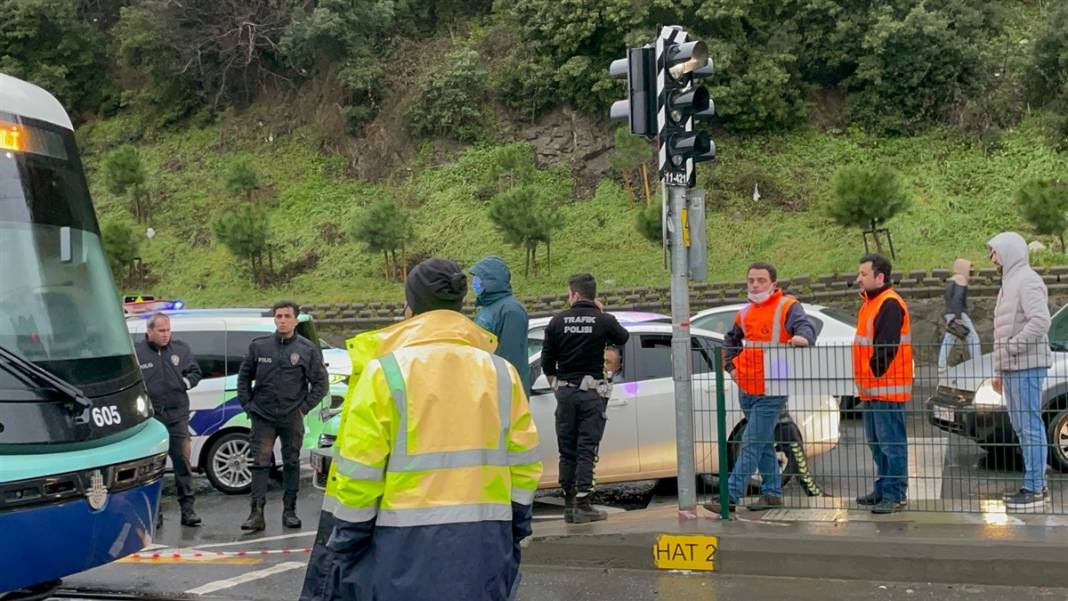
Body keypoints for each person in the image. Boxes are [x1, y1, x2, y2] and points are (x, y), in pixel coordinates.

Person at [313, 258, 542, 601]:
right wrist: (516, 526)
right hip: (485, 544)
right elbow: (524, 464)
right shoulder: (501, 373)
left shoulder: (385, 372)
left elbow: (361, 472)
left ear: (411, 307)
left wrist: (347, 541)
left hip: (399, 546)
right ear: (459, 304)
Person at [702, 262, 816, 514]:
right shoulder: (744, 313)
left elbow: (805, 327)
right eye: (751, 280)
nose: (755, 285)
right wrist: (731, 368)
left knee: (751, 441)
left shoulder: (787, 306)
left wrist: (804, 338)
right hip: (747, 385)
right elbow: (731, 340)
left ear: (773, 284)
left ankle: (729, 496)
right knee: (762, 442)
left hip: (773, 386)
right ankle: (772, 493)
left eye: (761, 280)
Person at [540, 273, 629, 523]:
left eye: (569, 294)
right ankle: (583, 503)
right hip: (591, 394)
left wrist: (559, 389)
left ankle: (569, 505)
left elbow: (547, 363)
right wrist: (602, 313)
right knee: (586, 448)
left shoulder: (557, 321)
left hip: (566, 393)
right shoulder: (602, 320)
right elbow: (623, 337)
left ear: (576, 294)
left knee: (567, 450)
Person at [238, 301, 329, 532]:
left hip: (292, 416)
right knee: (260, 463)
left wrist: (303, 408)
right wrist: (248, 406)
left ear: (296, 320)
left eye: (287, 316)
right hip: (263, 416)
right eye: (279, 316)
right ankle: (256, 513)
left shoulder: (306, 349)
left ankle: (290, 511)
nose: (282, 320)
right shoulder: (259, 347)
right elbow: (244, 378)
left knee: (291, 462)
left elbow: (321, 383)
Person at [989, 232, 1052, 510]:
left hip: (1026, 366)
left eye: (994, 252)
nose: (992, 258)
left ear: (1008, 251)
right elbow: (1001, 331)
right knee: (1023, 428)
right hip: (1014, 367)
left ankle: (1035, 488)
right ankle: (1034, 484)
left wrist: (1014, 348)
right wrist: (999, 369)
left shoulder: (1027, 280)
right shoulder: (1010, 283)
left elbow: (1041, 321)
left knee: (1029, 427)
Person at [853, 254, 913, 515]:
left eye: (864, 274)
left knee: (891, 445)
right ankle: (884, 488)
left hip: (886, 388)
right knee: (878, 444)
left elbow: (886, 347)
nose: (858, 278)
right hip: (874, 389)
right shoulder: (872, 302)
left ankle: (894, 494)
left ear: (880, 277)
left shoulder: (888, 303)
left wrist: (873, 372)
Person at [135, 312, 203, 527]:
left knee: (182, 464)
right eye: (161, 330)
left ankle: (188, 510)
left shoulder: (180, 349)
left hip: (177, 415)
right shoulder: (137, 353)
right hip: (151, 419)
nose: (166, 334)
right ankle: (155, 513)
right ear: (149, 331)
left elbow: (195, 373)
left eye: (168, 330)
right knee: (152, 468)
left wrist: (185, 383)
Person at [471, 256, 531, 392]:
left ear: (491, 281)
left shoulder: (511, 310)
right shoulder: (486, 308)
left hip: (504, 389)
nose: (474, 282)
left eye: (478, 278)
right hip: (486, 384)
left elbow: (509, 357)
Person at [938, 258, 982, 372]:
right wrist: (958, 317)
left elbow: (947, 297)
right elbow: (957, 298)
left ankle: (942, 365)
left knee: (949, 339)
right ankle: (978, 364)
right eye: (970, 271)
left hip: (950, 312)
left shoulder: (952, 280)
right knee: (973, 338)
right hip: (959, 313)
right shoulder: (961, 279)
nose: (970, 275)